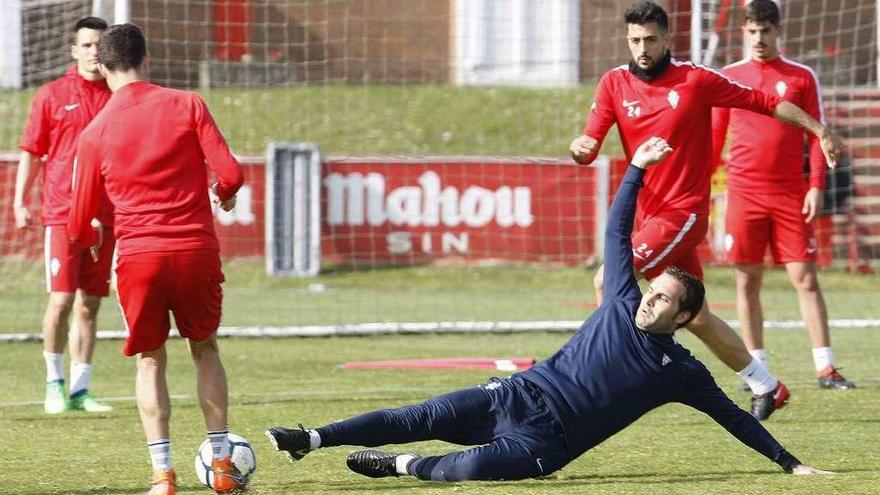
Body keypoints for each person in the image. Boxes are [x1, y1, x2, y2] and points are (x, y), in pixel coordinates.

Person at [265, 137, 831, 482]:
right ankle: (310, 439)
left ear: (683, 319)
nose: (648, 300)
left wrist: (791, 464)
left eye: (662, 299)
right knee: (419, 415)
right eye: (650, 289)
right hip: (516, 394)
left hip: (546, 443)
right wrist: (636, 167)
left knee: (470, 471)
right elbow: (616, 229)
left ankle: (404, 467)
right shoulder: (620, 300)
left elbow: (732, 418)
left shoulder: (682, 372)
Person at [568, 0, 844, 420]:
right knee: (696, 318)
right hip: (651, 215)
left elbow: (766, 103)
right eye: (635, 39)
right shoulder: (613, 83)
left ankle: (590, 381)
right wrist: (581, 148)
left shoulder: (696, 80)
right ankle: (766, 384)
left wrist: (819, 129)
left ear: (667, 39)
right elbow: (588, 142)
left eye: (650, 39)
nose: (642, 47)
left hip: (684, 213)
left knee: (609, 279)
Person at [68, 23, 244, 495]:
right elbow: (230, 172)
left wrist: (92, 237)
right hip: (194, 250)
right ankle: (223, 465)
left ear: (102, 69)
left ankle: (162, 475)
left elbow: (77, 221)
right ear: (147, 60)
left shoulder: (95, 130)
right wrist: (223, 193)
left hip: (140, 256)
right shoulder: (187, 104)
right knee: (205, 348)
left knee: (150, 360)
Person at [711, 0, 854, 390]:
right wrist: (703, 188)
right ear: (743, 32)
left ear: (778, 32)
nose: (759, 38)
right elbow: (713, 138)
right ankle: (756, 370)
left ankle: (825, 367)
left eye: (766, 30)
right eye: (753, 31)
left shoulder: (801, 76)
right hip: (743, 193)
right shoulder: (728, 76)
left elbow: (817, 135)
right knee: (746, 281)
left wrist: (815, 186)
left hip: (791, 193)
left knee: (805, 279)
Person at [13, 16, 114, 415]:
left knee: (90, 304)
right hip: (62, 214)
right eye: (87, 45)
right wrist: (21, 200)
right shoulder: (51, 95)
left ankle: (80, 389)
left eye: (99, 46)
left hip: (106, 218)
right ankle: (53, 383)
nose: (93, 52)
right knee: (60, 300)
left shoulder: (117, 95)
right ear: (74, 51)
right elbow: (32, 151)